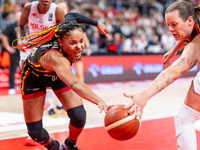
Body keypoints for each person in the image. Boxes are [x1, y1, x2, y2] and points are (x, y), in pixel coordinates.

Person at [13, 12, 109, 150]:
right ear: (60, 42)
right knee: (35, 133)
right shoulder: (56, 58)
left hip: (56, 76)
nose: (79, 47)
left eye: (81, 41)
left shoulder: (66, 29)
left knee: (79, 116)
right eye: (73, 43)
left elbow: (72, 15)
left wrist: (97, 24)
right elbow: (75, 84)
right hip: (33, 78)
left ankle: (70, 145)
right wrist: (99, 101)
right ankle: (54, 147)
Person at [124, 1, 200, 150]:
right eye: (168, 25)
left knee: (185, 117)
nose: (170, 29)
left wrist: (144, 95)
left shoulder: (196, 43)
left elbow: (175, 71)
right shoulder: (194, 23)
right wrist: (174, 50)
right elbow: (189, 33)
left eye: (174, 24)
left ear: (190, 20)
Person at [16, 0, 65, 146]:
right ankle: (33, 132)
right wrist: (20, 40)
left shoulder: (58, 11)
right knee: (32, 90)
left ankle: (35, 129)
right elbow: (20, 26)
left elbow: (64, 33)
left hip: (47, 52)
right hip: (29, 50)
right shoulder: (28, 8)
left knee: (47, 101)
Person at [3, 11, 21, 95]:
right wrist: (7, 47)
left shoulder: (26, 26)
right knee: (13, 69)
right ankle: (11, 86)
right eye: (18, 16)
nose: (19, 17)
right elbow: (4, 36)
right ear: (15, 17)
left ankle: (25, 86)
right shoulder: (11, 26)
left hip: (23, 51)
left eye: (21, 16)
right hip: (14, 51)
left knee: (25, 69)